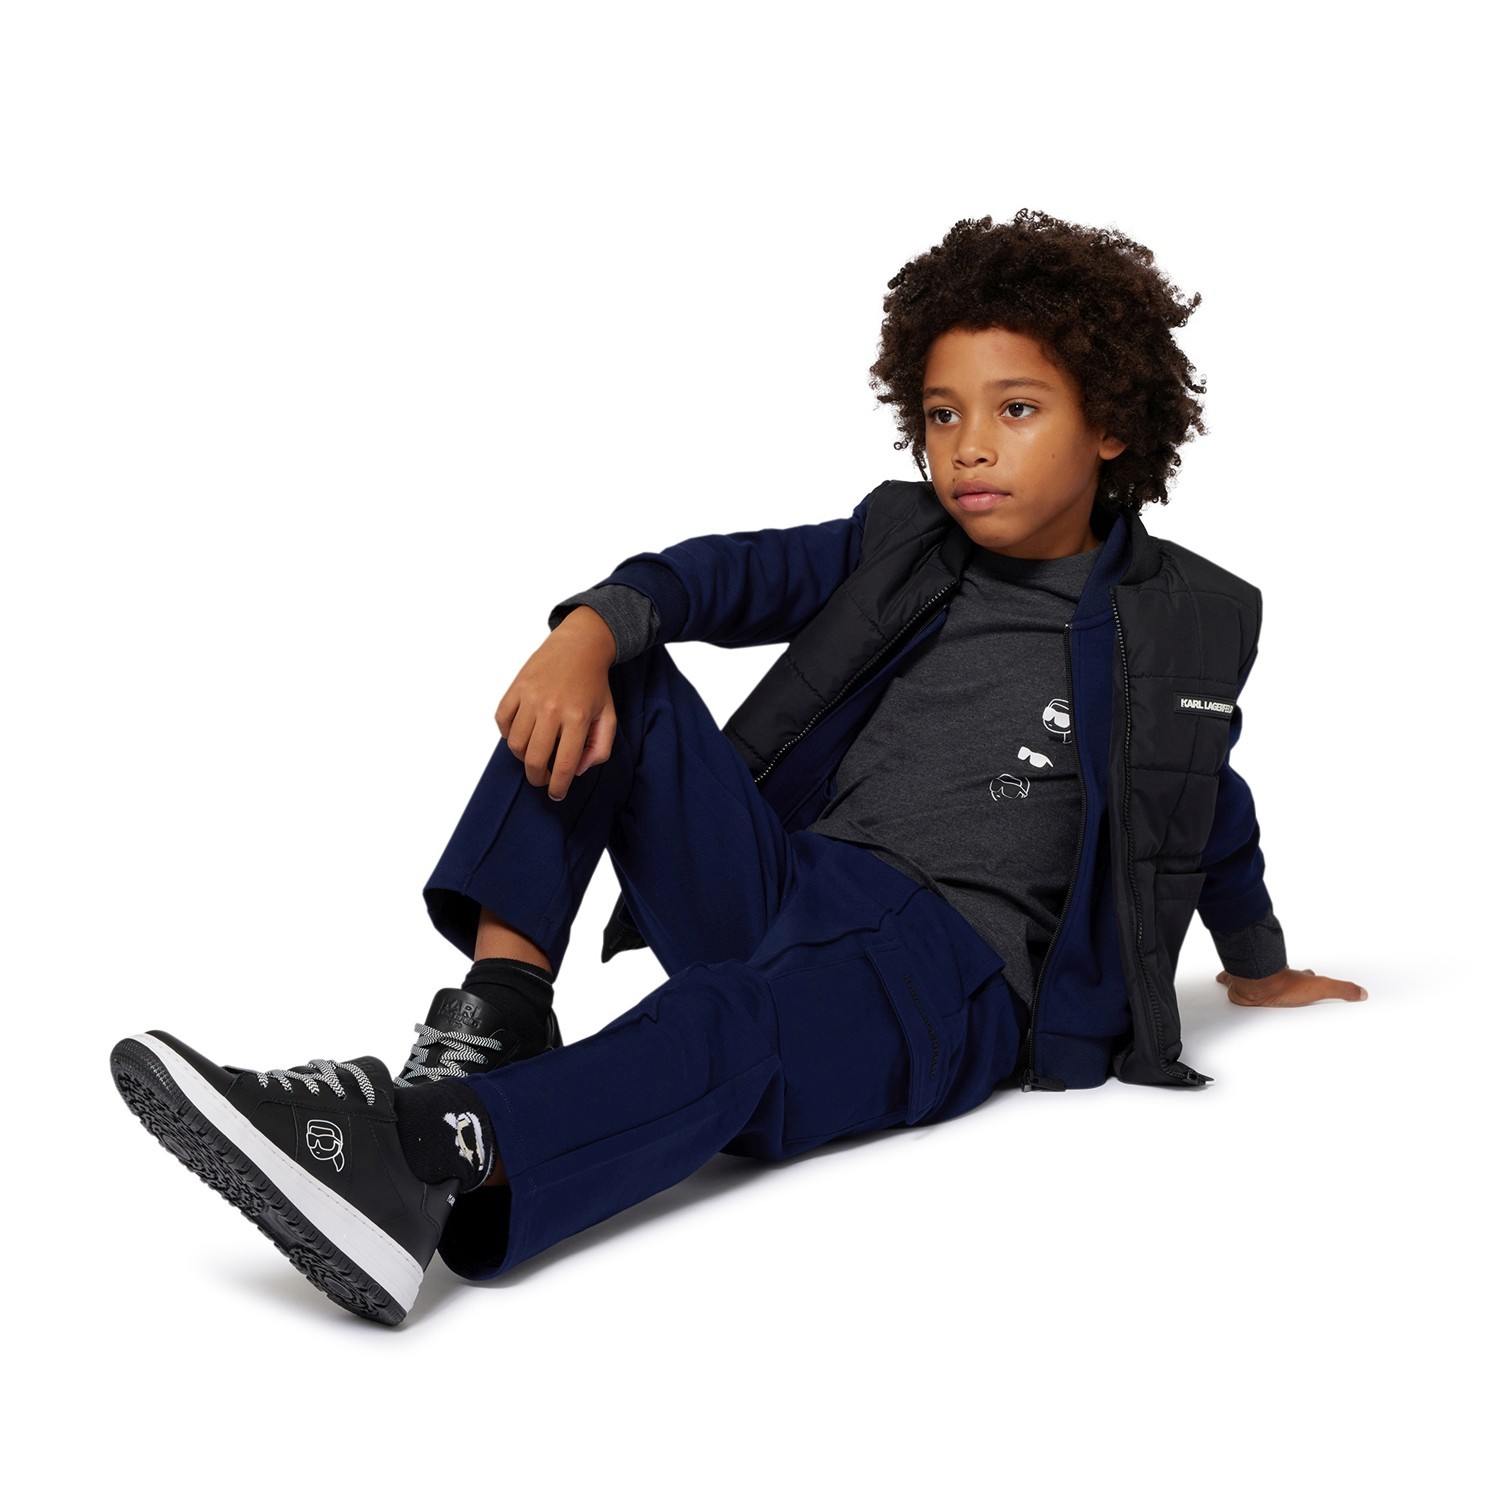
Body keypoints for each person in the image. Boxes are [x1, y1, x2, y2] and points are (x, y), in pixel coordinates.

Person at [110, 209, 1368, 1326]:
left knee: (726, 1023)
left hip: (947, 971)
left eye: (1016, 409)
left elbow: (1201, 808)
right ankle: (497, 1019)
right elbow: (724, 575)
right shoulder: (898, 538)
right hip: (791, 885)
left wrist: (1256, 966)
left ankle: (421, 1158)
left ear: (1114, 424)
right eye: (943, 415)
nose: (969, 448)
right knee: (622, 681)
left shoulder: (1178, 621)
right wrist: (589, 629)